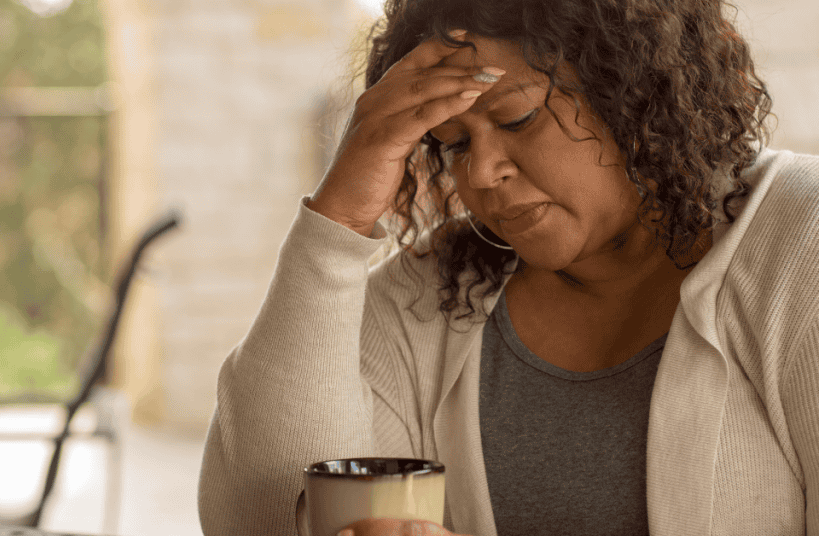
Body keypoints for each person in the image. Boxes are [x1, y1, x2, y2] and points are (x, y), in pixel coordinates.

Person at [198, 0, 819, 534]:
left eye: (516, 117)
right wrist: (338, 222)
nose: (480, 173)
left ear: (634, 89)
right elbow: (262, 517)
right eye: (453, 143)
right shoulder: (432, 294)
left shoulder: (800, 243)